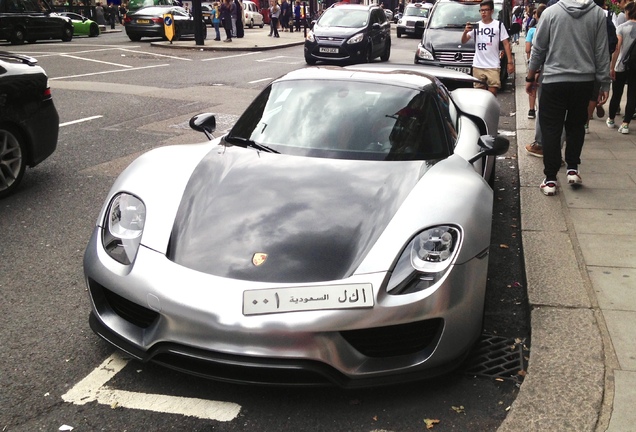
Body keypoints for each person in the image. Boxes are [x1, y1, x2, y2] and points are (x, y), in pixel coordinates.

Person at [525, 0, 610, 196]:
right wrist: (604, 82)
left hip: (554, 80)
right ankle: (572, 168)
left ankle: (551, 178)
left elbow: (538, 49)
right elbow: (601, 51)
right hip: (584, 81)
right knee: (576, 125)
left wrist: (530, 76)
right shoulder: (597, 14)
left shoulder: (550, 13)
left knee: (551, 129)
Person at [460, 0, 514, 96]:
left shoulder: (498, 25)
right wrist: (465, 32)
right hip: (478, 65)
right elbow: (464, 41)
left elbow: (506, 43)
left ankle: (491, 110)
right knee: (479, 95)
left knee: (492, 93)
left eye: (486, 10)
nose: (483, 13)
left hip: (493, 65)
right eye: (481, 10)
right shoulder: (476, 25)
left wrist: (510, 62)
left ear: (492, 11)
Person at [608, 1, 636, 133]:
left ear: (628, 12)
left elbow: (617, 49)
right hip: (635, 66)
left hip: (621, 65)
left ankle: (611, 118)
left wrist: (612, 66)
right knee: (632, 95)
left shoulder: (622, 27)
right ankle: (625, 123)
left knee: (617, 93)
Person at [525, 5, 545, 119]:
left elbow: (527, 49)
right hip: (546, 65)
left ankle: (531, 110)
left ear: (536, 16)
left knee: (532, 86)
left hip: (534, 63)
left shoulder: (532, 30)